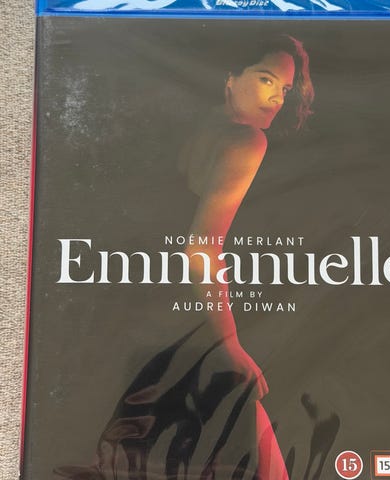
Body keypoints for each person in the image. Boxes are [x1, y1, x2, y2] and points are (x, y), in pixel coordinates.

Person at [54, 33, 314, 480]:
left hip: (142, 300)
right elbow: (200, 248)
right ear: (230, 78)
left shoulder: (196, 122)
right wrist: (229, 344)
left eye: (285, 89)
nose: (276, 97)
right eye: (266, 78)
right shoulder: (247, 141)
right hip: (192, 316)